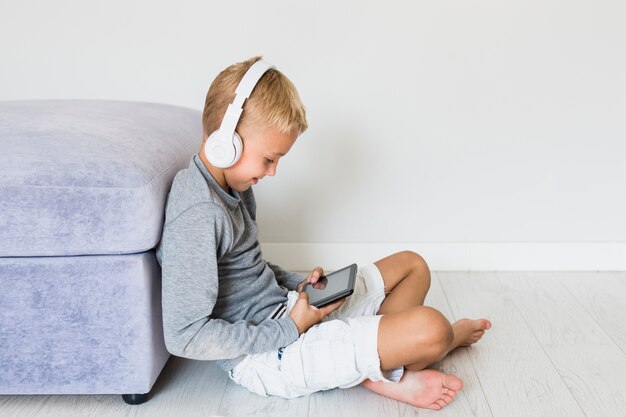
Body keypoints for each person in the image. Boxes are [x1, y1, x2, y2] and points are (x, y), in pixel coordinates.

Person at [155, 56, 492, 410]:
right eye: (269, 159)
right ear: (228, 141)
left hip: (291, 313)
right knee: (435, 330)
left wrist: (298, 285)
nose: (273, 172)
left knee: (413, 265)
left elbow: (246, 268)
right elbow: (184, 336)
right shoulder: (197, 213)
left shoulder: (233, 187)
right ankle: (384, 370)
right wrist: (291, 329)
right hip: (267, 355)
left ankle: (371, 356)